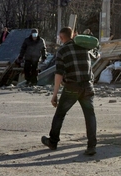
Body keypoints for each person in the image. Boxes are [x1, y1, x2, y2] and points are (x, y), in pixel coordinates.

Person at [42, 27, 97, 156]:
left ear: (61, 38)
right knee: (90, 116)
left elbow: (59, 74)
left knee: (60, 114)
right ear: (72, 35)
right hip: (88, 86)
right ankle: (91, 146)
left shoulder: (62, 51)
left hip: (72, 87)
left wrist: (54, 94)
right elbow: (95, 56)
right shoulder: (83, 46)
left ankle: (53, 141)